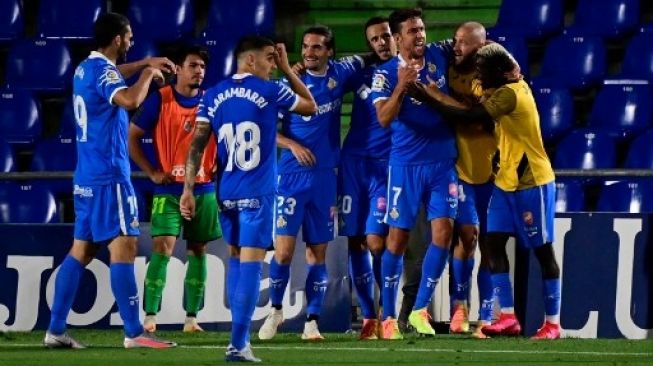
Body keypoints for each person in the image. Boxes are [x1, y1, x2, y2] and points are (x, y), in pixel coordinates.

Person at [407, 42, 562, 340]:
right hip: (505, 182)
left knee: (543, 252)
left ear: (498, 73)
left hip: (533, 182)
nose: (477, 77)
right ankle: (507, 317)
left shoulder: (510, 94)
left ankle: (553, 323)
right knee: (492, 244)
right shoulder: (502, 83)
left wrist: (427, 97)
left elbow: (469, 117)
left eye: (482, 71)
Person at [44, 12, 176, 349]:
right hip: (109, 177)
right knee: (125, 248)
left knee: (81, 251)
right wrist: (148, 73)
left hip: (86, 177)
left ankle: (55, 329)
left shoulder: (85, 67)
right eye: (129, 36)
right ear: (117, 39)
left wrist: (144, 62)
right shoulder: (104, 72)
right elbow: (130, 100)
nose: (132, 41)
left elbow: (113, 75)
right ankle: (134, 333)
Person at [181, 35, 316, 362]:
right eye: (270, 58)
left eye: (276, 59)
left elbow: (197, 144)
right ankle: (238, 344)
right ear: (251, 60)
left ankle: (237, 341)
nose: (273, 64)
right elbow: (310, 105)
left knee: (237, 263)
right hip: (258, 193)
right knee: (252, 267)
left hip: (225, 193)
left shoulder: (212, 94)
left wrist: (187, 188)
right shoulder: (270, 90)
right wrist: (288, 69)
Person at [258, 25, 365, 341]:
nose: (309, 52)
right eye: (305, 46)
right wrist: (291, 145)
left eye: (317, 47)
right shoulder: (288, 86)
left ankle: (312, 322)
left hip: (324, 179)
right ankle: (276, 310)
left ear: (330, 51)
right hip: (290, 177)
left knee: (317, 254)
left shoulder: (341, 73)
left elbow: (367, 58)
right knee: (283, 253)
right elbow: (265, 130)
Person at [369, 7, 458, 339]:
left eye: (421, 29)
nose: (420, 36)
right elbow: (384, 119)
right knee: (397, 239)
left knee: (443, 234)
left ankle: (420, 310)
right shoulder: (386, 74)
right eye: (412, 31)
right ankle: (389, 316)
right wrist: (402, 87)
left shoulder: (438, 53)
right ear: (397, 38)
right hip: (405, 167)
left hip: (442, 163)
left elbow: (472, 36)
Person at [128, 45, 220, 333]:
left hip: (204, 189)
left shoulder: (212, 100)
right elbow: (131, 137)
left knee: (198, 250)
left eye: (202, 67)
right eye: (193, 65)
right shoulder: (160, 99)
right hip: (168, 190)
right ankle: (150, 317)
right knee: (162, 249)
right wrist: (151, 171)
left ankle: (192, 319)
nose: (199, 71)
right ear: (178, 69)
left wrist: (221, 162)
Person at [338, 16, 396, 340]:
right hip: (352, 164)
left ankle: (388, 312)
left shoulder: (402, 71)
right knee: (354, 241)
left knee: (377, 242)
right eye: (374, 39)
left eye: (385, 36)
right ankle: (369, 318)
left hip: (384, 166)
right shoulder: (359, 72)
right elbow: (327, 80)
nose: (381, 43)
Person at [445, 22, 496, 338]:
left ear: (481, 45)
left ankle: (487, 311)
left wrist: (453, 105)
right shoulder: (448, 70)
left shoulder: (495, 75)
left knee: (490, 244)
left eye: (463, 42)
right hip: (460, 171)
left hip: (493, 172)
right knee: (468, 238)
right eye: (455, 41)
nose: (456, 47)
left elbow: (481, 116)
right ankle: (459, 305)